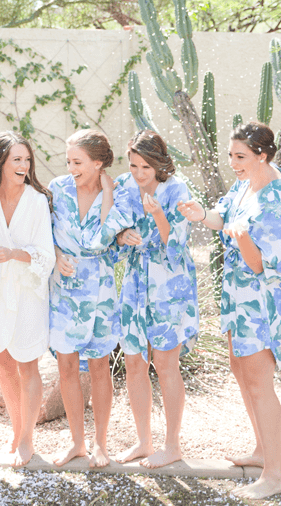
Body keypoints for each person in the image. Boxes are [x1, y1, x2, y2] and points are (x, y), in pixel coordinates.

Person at [178, 120, 281, 500]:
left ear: (263, 155)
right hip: (237, 295)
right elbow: (221, 217)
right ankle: (262, 451)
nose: (233, 162)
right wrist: (200, 215)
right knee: (240, 370)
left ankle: (275, 475)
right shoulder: (246, 182)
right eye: (231, 155)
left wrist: (242, 236)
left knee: (260, 382)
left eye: (240, 156)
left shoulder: (277, 197)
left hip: (264, 300)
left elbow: (261, 263)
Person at [113, 130, 198, 468]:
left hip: (168, 283)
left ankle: (172, 445)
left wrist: (159, 215)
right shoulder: (124, 185)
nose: (138, 174)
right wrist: (122, 235)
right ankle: (143, 441)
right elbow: (113, 228)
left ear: (159, 163)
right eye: (133, 165)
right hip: (136, 280)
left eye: (145, 167)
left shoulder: (177, 189)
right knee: (135, 361)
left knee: (165, 364)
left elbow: (176, 245)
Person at [49, 129, 133, 468]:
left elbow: (102, 239)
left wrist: (109, 193)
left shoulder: (118, 192)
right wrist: (55, 255)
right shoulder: (57, 190)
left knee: (100, 367)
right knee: (67, 366)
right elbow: (43, 233)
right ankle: (76, 443)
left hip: (98, 290)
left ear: (98, 163)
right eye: (69, 161)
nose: (71, 168)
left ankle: (101, 445)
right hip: (64, 288)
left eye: (78, 162)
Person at [0, 132, 54, 467]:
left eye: (26, 160)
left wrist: (14, 253)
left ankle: (27, 439)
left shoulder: (37, 201)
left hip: (27, 290)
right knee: (4, 362)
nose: (23, 166)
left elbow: (45, 255)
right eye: (16, 160)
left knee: (27, 363)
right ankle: (16, 427)